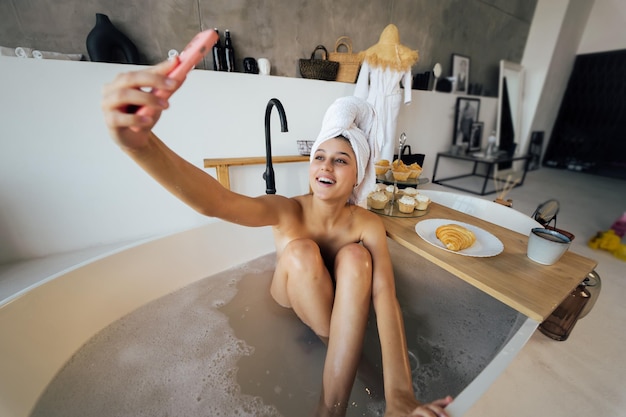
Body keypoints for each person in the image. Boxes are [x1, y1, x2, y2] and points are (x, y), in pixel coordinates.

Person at [101, 59, 452, 417]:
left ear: (358, 176)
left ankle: (350, 403)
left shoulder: (366, 224)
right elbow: (216, 202)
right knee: (301, 252)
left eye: (341, 160)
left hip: (336, 314)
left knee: (357, 258)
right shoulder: (288, 211)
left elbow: (386, 299)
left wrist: (400, 395)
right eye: (319, 157)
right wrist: (141, 145)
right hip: (287, 315)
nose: (326, 166)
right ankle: (345, 381)